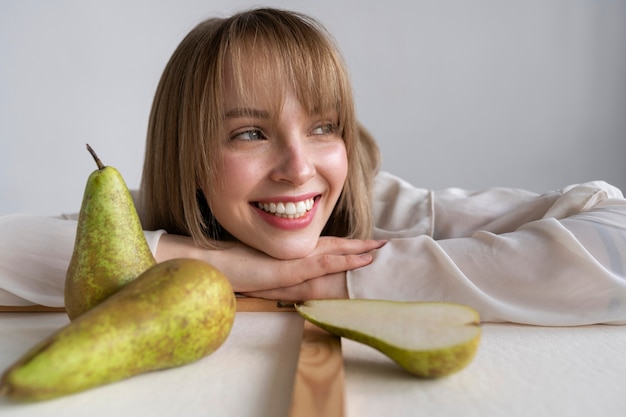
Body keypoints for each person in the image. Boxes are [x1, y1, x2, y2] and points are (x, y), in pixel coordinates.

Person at [1, 8, 626, 326]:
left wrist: (348, 279)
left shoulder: (387, 212)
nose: (298, 167)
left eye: (323, 127)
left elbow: (616, 235)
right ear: (187, 156)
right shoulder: (148, 218)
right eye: (250, 133)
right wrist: (215, 265)